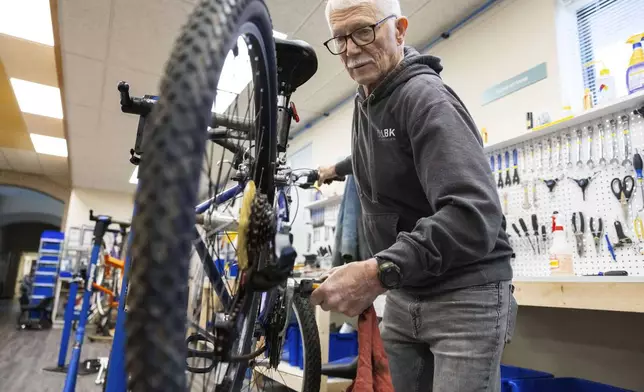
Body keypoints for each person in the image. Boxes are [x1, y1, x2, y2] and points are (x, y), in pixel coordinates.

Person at [309, 0, 518, 390]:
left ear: (400, 30)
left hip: (465, 293)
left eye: (364, 31)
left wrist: (377, 271)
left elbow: (474, 214)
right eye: (340, 39)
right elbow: (379, 152)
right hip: (406, 292)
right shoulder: (367, 99)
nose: (351, 48)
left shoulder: (426, 99)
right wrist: (334, 170)